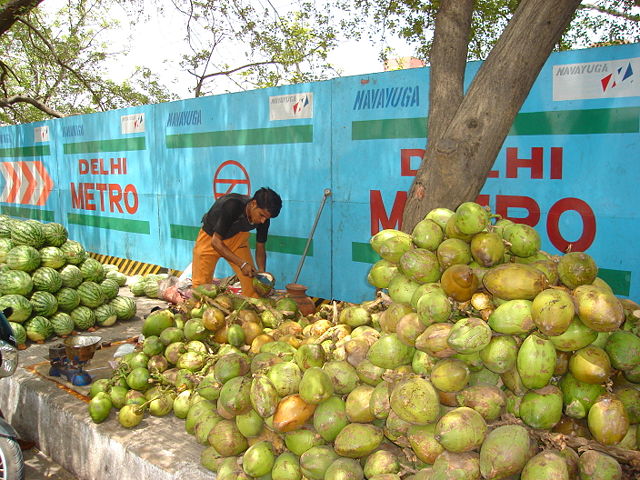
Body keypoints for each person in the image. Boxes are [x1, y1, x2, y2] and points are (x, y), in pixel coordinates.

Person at [191, 187, 282, 297]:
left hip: (237, 239)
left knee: (252, 285)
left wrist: (261, 273)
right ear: (253, 204)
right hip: (210, 239)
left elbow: (260, 246)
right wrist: (242, 264)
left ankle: (251, 307)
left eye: (267, 218)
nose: (263, 221)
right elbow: (216, 242)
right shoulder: (232, 206)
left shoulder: (264, 220)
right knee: (200, 289)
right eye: (261, 215)